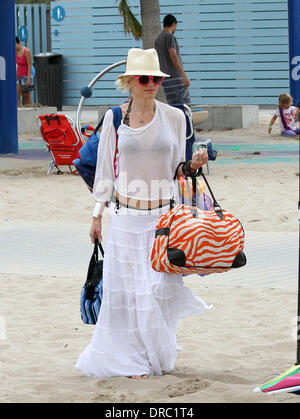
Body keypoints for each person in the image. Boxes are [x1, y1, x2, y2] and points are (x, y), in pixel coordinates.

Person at [75, 48, 211, 379]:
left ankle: (152, 352)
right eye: (143, 78)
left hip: (163, 220)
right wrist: (96, 215)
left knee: (159, 290)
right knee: (127, 294)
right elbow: (105, 171)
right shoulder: (114, 118)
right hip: (125, 218)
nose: (151, 83)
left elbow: (178, 167)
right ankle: (131, 360)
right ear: (130, 81)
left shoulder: (176, 117)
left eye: (155, 78)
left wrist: (192, 165)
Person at [155, 14, 191, 105]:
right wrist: (184, 76)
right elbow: (173, 55)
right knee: (184, 107)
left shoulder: (158, 39)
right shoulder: (169, 36)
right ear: (174, 24)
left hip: (166, 80)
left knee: (173, 106)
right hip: (175, 78)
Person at [16, 36, 33, 107]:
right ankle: (19, 112)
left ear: (17, 43)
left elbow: (29, 66)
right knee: (16, 96)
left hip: (26, 76)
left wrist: (28, 79)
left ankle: (30, 112)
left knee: (26, 96)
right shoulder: (14, 51)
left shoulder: (26, 51)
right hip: (18, 76)